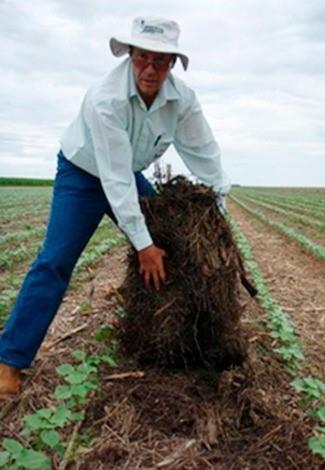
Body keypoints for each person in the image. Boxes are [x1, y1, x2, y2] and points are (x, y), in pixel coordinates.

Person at [0, 17, 230, 398]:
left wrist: (220, 203)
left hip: (126, 172)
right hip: (83, 172)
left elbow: (203, 151)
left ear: (173, 63)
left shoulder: (182, 100)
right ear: (130, 54)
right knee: (55, 261)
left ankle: (165, 340)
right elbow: (115, 179)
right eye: (142, 58)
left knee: (170, 243)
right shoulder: (105, 99)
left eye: (161, 60)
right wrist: (142, 245)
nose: (150, 69)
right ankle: (9, 360)